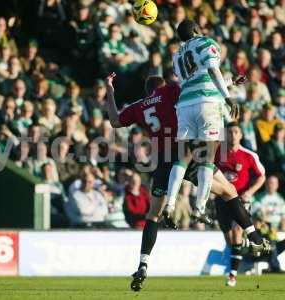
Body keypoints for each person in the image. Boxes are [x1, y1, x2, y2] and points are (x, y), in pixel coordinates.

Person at [104, 73, 270, 292]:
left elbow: (115, 120)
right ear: (162, 85)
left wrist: (109, 89)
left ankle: (143, 265)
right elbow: (202, 83)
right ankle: (254, 236)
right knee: (229, 191)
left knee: (153, 214)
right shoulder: (171, 90)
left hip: (164, 161)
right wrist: (230, 82)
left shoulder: (139, 105)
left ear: (147, 90)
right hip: (187, 153)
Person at [164, 19, 239, 223]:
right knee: (207, 156)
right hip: (208, 103)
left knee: (184, 156)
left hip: (185, 103)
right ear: (197, 29)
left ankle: (169, 204)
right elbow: (213, 71)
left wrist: (230, 82)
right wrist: (228, 96)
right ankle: (200, 207)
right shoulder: (206, 42)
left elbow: (197, 79)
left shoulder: (177, 54)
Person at [215, 122, 266, 287]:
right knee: (230, 240)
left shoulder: (249, 155)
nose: (233, 135)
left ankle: (232, 276)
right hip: (221, 200)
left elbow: (262, 176)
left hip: (240, 200)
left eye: (236, 132)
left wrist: (250, 192)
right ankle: (242, 246)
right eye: (229, 132)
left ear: (241, 135)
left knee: (237, 231)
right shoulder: (217, 153)